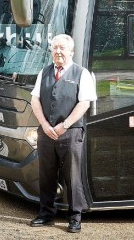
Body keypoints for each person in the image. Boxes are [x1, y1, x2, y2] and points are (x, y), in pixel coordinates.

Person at [27, 34, 96, 233]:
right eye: (55, 48)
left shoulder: (81, 73)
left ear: (71, 52)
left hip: (71, 133)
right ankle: (46, 214)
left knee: (72, 176)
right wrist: (45, 125)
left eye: (62, 49)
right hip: (46, 133)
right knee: (46, 174)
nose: (58, 52)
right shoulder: (44, 72)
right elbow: (35, 100)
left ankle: (75, 218)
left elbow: (84, 103)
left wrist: (64, 125)